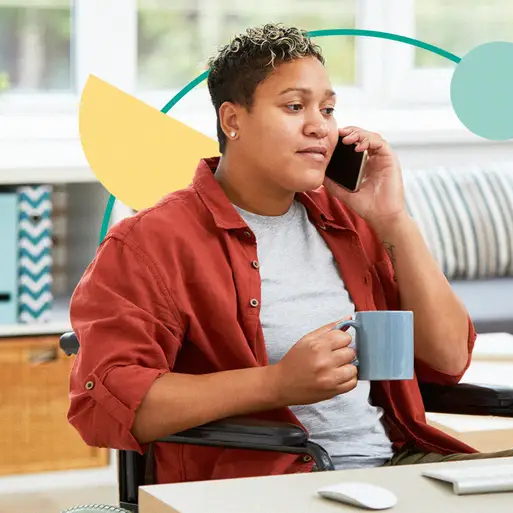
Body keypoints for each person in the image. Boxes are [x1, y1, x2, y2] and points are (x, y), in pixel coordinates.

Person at [67, 23, 512, 484]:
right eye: (294, 106)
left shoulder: (347, 222)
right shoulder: (148, 244)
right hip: (272, 483)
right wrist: (277, 384)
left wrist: (393, 218)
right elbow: (105, 403)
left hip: (394, 468)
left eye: (329, 108)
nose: (319, 125)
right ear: (232, 120)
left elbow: (447, 359)